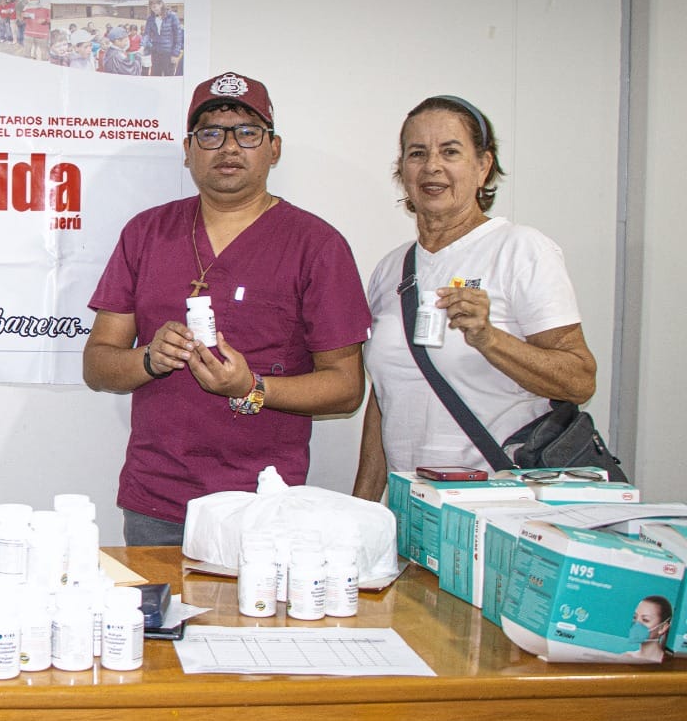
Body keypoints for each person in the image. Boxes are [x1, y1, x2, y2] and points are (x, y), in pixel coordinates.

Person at [83, 72, 370, 545]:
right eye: (211, 133)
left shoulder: (316, 245)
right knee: (159, 620)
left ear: (273, 149)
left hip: (264, 503)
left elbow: (345, 387)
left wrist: (252, 387)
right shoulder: (147, 234)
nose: (229, 147)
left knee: (255, 620)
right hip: (159, 499)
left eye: (247, 132)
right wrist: (149, 359)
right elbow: (98, 364)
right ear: (188, 149)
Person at [353, 96, 596, 496]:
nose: (432, 166)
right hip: (415, 507)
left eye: (450, 151)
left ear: (483, 166)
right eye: (417, 153)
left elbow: (580, 381)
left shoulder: (520, 249)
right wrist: (362, 506)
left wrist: (489, 339)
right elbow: (386, 397)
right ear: (402, 171)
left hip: (503, 505)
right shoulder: (390, 269)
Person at [143, 0, 185, 76]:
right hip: (155, 53)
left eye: (155, 7)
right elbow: (146, 34)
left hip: (168, 53)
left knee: (168, 76)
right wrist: (143, 45)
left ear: (161, 4)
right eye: (151, 7)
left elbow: (178, 36)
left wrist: (175, 54)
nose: (153, 9)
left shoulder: (172, 16)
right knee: (155, 76)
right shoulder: (150, 18)